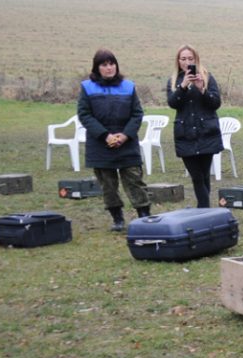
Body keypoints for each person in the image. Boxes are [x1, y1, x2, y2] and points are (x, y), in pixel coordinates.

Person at [77, 48, 151, 231]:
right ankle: (117, 219)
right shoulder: (87, 87)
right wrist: (105, 136)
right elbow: (84, 114)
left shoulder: (128, 86)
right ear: (97, 68)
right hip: (100, 144)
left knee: (134, 181)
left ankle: (144, 216)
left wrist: (125, 135)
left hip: (127, 143)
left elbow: (137, 113)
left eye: (112, 64)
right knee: (108, 186)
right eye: (104, 65)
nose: (109, 68)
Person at [167, 44, 223, 208]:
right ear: (178, 61)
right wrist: (182, 87)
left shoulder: (207, 77)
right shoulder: (173, 81)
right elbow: (173, 103)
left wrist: (202, 89)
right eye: (183, 59)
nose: (187, 62)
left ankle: (203, 209)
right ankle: (205, 209)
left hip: (206, 132)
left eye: (190, 59)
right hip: (185, 135)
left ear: (196, 60)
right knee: (196, 175)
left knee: (204, 174)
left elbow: (215, 103)